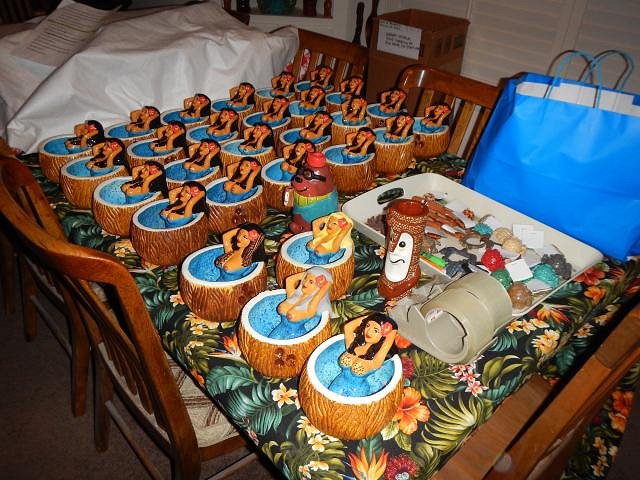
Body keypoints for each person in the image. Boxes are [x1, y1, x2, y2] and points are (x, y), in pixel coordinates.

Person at [327, 313, 398, 397]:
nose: (369, 331)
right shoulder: (353, 345)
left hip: (357, 391)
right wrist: (370, 317)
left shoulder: (375, 360)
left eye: (376, 330)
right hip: (338, 383)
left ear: (384, 336)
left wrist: (392, 330)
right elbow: (348, 327)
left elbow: (389, 340)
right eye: (368, 326)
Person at [269, 268, 333, 340]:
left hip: (296, 338)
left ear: (319, 287)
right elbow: (289, 280)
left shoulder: (311, 306)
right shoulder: (293, 296)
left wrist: (327, 284)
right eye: (305, 279)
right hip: (279, 331)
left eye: (311, 282)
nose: (305, 283)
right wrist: (307, 273)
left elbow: (318, 296)